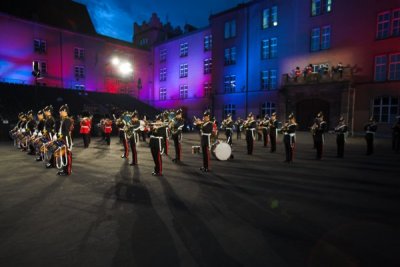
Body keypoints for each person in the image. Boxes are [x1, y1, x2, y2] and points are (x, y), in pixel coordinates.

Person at [55, 104, 73, 176]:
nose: (60, 112)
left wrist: (59, 137)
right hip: (63, 139)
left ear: (65, 111)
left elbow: (65, 132)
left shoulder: (67, 120)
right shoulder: (64, 120)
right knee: (63, 156)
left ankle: (67, 171)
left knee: (67, 155)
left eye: (61, 111)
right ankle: (64, 169)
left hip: (65, 140)